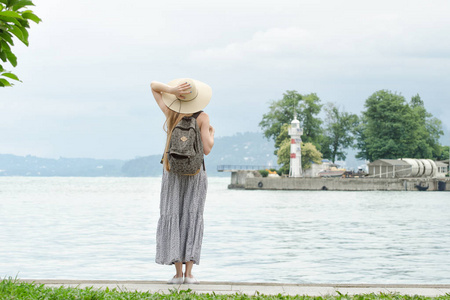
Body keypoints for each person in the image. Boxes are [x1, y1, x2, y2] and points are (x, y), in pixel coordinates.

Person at [150, 78, 215, 284]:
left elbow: (153, 86)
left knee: (173, 215)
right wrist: (211, 134)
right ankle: (189, 274)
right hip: (195, 173)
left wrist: (170, 89)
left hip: (172, 172)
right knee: (192, 216)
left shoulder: (172, 113)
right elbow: (206, 149)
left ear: (179, 97)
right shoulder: (203, 117)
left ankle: (177, 275)